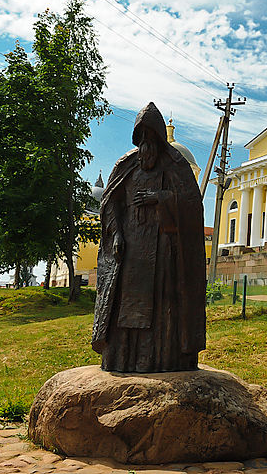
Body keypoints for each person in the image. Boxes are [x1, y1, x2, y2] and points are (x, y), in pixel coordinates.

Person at [92, 102, 206, 373]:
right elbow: (110, 204)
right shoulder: (126, 165)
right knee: (126, 306)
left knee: (162, 307)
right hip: (130, 249)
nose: (146, 148)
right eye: (142, 138)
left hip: (164, 250)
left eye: (151, 137)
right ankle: (121, 359)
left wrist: (160, 197)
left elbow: (191, 205)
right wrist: (116, 234)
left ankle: (163, 359)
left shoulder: (176, 164)